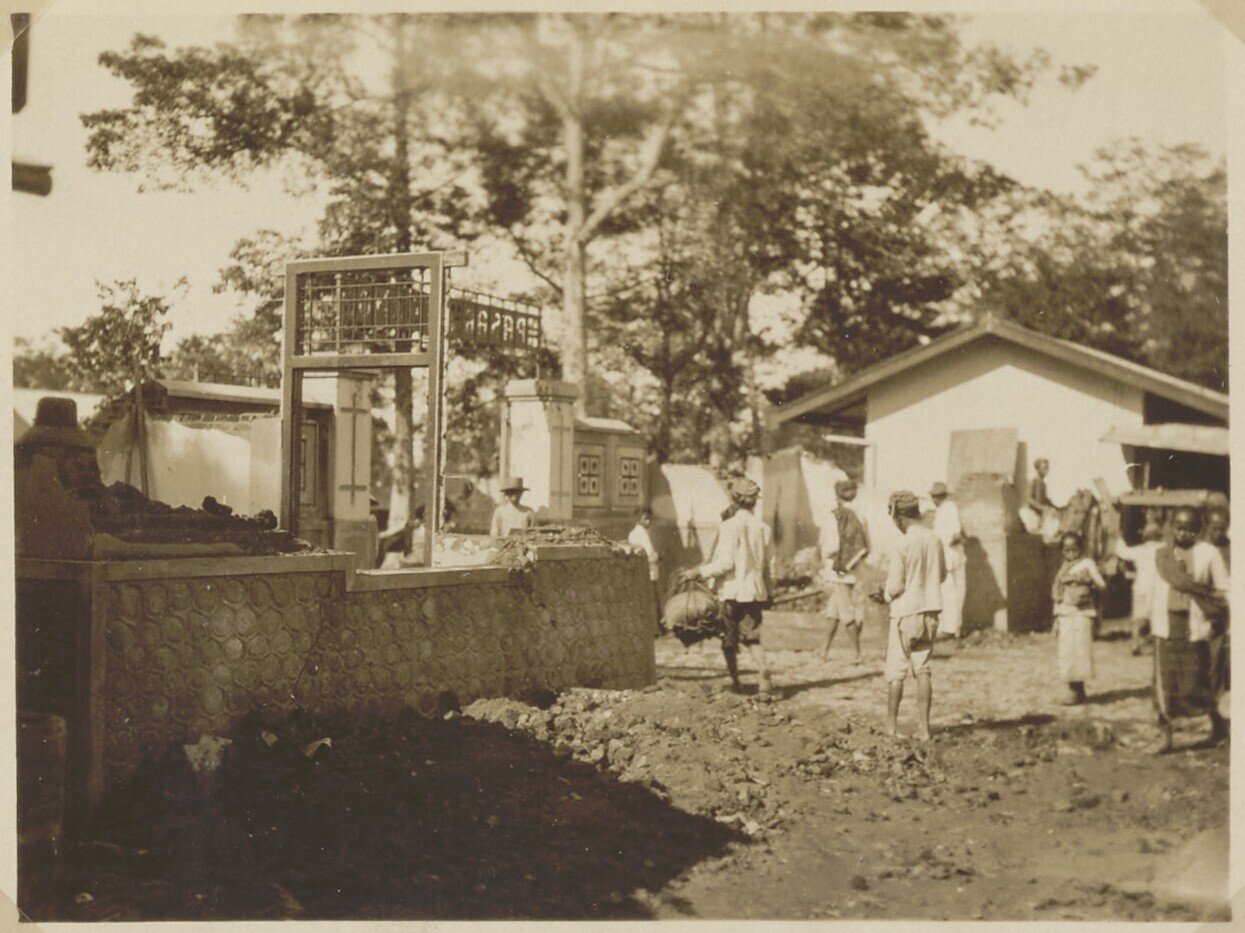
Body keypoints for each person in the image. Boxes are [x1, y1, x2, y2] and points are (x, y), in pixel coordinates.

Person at [683, 477, 775, 696]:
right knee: (752, 637)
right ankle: (763, 671)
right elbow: (769, 566)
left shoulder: (729, 527)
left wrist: (698, 573)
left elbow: (726, 563)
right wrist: (769, 592)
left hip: (732, 591)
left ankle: (736, 681)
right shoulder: (763, 528)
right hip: (754, 591)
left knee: (728, 639)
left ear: (735, 499)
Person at [1149, 507, 1230, 751]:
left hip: (1195, 626)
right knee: (1163, 683)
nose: (1183, 533)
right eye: (1179, 528)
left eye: (1190, 529)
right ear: (1172, 527)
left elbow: (1223, 589)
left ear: (1199, 530)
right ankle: (1164, 735)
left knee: (1197, 682)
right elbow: (1154, 589)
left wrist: (1217, 614)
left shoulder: (1208, 553)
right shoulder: (1162, 554)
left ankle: (1220, 728)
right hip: (1166, 626)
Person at [874, 491, 945, 741]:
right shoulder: (934, 539)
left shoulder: (902, 543)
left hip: (906, 612)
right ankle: (924, 728)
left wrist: (884, 594)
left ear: (900, 517)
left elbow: (895, 586)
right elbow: (942, 575)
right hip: (931, 611)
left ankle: (891, 726)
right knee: (923, 669)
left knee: (896, 670)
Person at [1051, 531, 1107, 705]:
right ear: (1062, 551)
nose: (1071, 553)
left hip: (1082, 613)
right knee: (1067, 652)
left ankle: (1076, 692)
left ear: (1081, 548)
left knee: (1080, 652)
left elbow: (1102, 584)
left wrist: (1086, 581)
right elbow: (1059, 595)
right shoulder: (1063, 567)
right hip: (1066, 613)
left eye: (1074, 549)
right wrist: (1056, 618)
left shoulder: (1087, 563)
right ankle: (1076, 690)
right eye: (1066, 550)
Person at [820, 478, 870, 664]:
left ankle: (857, 653)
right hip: (855, 568)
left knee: (846, 612)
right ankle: (823, 650)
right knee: (833, 611)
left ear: (837, 495)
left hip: (839, 570)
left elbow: (831, 547)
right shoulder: (861, 515)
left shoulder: (835, 516)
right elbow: (867, 545)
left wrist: (824, 554)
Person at [1114, 520, 1163, 655]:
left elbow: (1122, 552)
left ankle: (1135, 643)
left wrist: (1120, 538)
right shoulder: (1164, 549)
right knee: (1157, 616)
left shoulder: (1140, 550)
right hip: (1157, 587)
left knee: (1138, 616)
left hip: (1141, 586)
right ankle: (1156, 645)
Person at [929, 482, 967, 642]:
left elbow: (955, 534)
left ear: (941, 497)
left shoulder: (949, 508)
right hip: (948, 557)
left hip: (951, 557)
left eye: (936, 497)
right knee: (950, 593)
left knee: (950, 594)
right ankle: (952, 628)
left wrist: (945, 543)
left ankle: (950, 629)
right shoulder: (941, 510)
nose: (934, 500)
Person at [628, 507, 661, 634]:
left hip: (649, 571)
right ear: (638, 519)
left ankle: (655, 628)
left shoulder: (641, 533)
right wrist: (656, 556)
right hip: (646, 572)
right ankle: (654, 630)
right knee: (650, 601)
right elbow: (646, 555)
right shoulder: (638, 534)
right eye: (645, 519)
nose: (648, 521)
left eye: (649, 518)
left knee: (651, 600)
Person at [1020, 458, 1058, 535]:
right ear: (1038, 469)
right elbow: (1029, 499)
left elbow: (1045, 499)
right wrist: (1042, 507)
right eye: (1044, 467)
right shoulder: (1033, 482)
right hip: (1030, 513)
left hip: (1039, 514)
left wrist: (1055, 507)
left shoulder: (1043, 484)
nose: (1047, 470)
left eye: (1047, 467)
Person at [490, 477, 534, 542]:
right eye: (512, 492)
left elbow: (534, 533)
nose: (515, 495)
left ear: (521, 493)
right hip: (505, 545)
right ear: (507, 493)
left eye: (518, 492)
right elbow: (494, 535)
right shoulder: (500, 511)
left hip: (524, 545)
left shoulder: (528, 512)